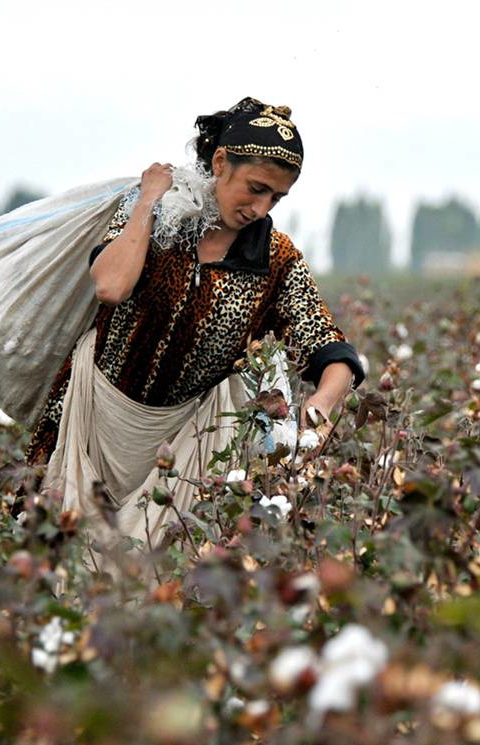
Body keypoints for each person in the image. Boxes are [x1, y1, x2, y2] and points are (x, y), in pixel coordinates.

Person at [25, 97, 364, 555]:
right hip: (92, 416)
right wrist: (147, 199)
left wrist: (321, 407)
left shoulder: (274, 260)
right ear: (220, 162)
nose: (260, 208)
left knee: (162, 578)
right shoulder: (157, 219)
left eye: (276, 198)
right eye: (255, 187)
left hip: (183, 445)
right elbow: (110, 285)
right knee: (55, 563)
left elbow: (331, 350)